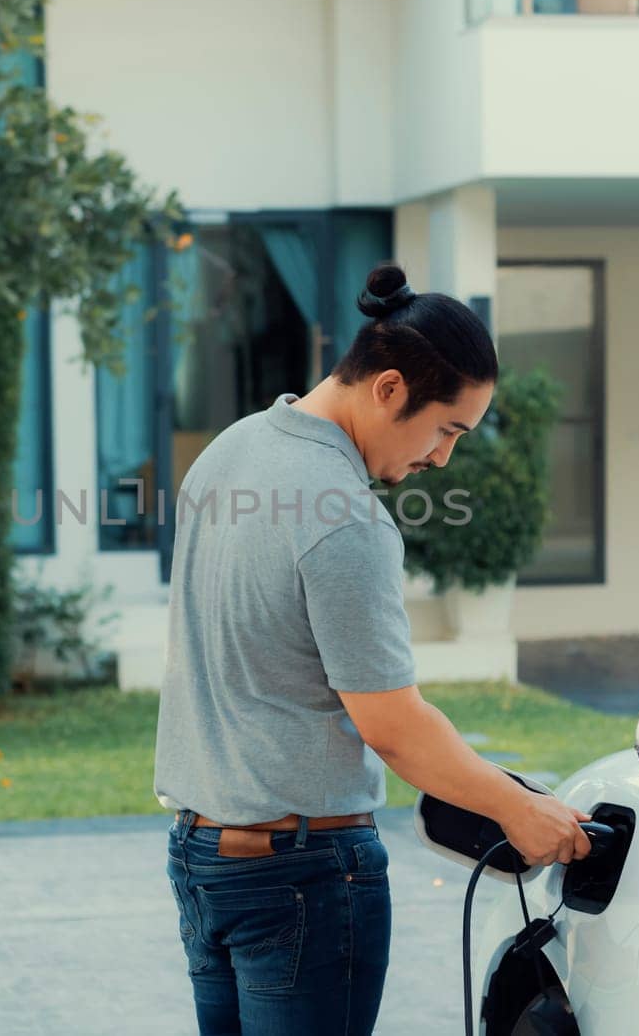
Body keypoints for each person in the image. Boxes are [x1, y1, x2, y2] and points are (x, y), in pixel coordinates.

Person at [154, 262, 593, 1035]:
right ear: (389, 388)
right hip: (303, 876)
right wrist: (515, 809)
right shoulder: (345, 517)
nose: (442, 457)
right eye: (447, 429)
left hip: (202, 859)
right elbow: (392, 724)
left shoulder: (227, 454)